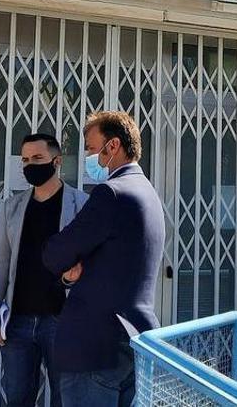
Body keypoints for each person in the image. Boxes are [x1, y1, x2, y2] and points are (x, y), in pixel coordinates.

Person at [43, 112, 165, 407]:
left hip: (94, 346)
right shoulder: (148, 193)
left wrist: (63, 271)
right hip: (133, 341)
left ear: (113, 146)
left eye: (89, 147)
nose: (87, 155)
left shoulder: (111, 193)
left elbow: (57, 252)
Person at [0, 133, 89, 407]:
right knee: (17, 397)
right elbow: (0, 263)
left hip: (63, 321)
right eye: (26, 160)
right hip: (18, 322)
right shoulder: (11, 208)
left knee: (65, 398)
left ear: (57, 161)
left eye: (38, 158)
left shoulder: (82, 205)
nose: (31, 165)